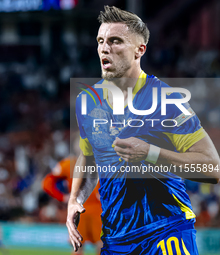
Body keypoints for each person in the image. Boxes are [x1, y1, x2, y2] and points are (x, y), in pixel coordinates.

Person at [66, 5, 220, 255]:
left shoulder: (168, 100)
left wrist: (150, 152)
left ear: (140, 50)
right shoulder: (86, 101)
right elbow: (90, 158)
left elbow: (212, 168)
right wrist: (75, 200)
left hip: (166, 232)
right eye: (101, 41)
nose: (105, 48)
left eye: (115, 41)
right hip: (115, 239)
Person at [42, 157, 103, 255]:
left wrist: (63, 197)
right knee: (101, 245)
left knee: (78, 246)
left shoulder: (68, 164)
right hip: (96, 209)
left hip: (79, 209)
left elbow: (47, 183)